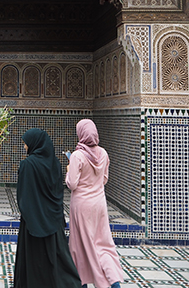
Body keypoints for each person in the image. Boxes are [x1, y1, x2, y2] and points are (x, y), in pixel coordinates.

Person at [13, 128, 82, 288]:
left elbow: (23, 194)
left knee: (33, 258)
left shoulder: (27, 164)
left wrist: (29, 214)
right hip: (54, 218)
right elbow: (58, 191)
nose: (24, 147)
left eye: (25, 144)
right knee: (56, 257)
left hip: (33, 221)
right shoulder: (55, 163)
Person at [65, 119, 125, 288]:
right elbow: (104, 180)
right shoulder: (103, 153)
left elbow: (72, 184)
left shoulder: (77, 155)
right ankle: (113, 283)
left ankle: (83, 283)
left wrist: (69, 169)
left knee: (81, 245)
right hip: (99, 204)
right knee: (103, 244)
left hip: (82, 206)